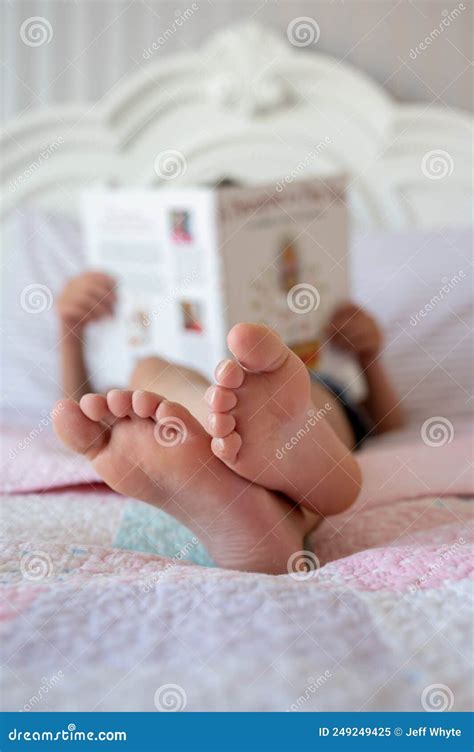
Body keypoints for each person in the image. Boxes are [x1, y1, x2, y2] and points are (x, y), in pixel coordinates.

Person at [53, 271, 403, 574]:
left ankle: (216, 425)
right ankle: (223, 434)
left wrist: (369, 353)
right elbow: (86, 413)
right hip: (231, 386)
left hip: (298, 383)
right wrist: (71, 328)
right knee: (150, 370)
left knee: (293, 394)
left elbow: (391, 425)